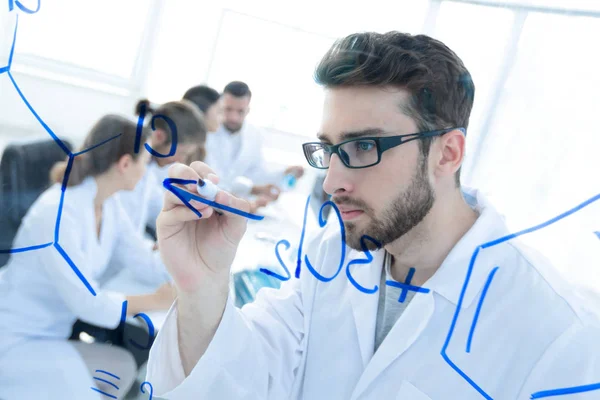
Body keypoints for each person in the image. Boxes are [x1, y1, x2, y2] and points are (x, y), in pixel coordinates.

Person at [146, 32, 600, 399]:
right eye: (329, 149)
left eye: (364, 146)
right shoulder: (330, 258)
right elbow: (248, 380)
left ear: (448, 152)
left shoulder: (558, 333)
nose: (331, 182)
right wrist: (202, 289)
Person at [0, 115, 175, 399]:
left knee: (122, 369)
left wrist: (187, 268)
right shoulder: (57, 215)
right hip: (16, 339)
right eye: (144, 161)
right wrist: (155, 300)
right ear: (124, 164)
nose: (146, 171)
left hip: (53, 331)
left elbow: (141, 257)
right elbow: (88, 303)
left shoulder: (108, 203)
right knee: (109, 380)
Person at [116, 99, 207, 238]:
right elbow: (122, 235)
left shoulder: (148, 169)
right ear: (159, 136)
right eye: (181, 153)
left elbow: (159, 207)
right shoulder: (125, 168)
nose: (180, 160)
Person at [204, 81, 305, 202]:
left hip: (234, 202)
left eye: (240, 111)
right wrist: (252, 190)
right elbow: (212, 179)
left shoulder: (254, 135)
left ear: (248, 110)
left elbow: (257, 174)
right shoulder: (207, 131)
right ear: (220, 106)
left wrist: (284, 173)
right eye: (228, 109)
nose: (233, 117)